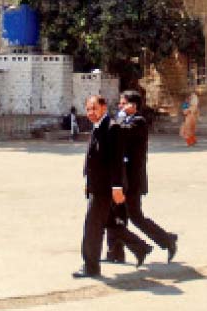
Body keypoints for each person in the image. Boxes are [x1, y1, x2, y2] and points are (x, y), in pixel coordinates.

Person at [73, 95, 153, 279]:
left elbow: (116, 161)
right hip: (97, 186)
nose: (91, 113)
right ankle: (140, 248)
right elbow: (94, 159)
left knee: (92, 226)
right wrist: (89, 183)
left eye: (94, 108)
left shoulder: (112, 128)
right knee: (110, 223)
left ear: (103, 108)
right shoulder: (98, 127)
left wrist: (117, 187)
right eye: (88, 109)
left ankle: (91, 266)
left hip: (106, 188)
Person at [112, 90, 178, 263]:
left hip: (133, 180)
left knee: (135, 216)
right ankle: (115, 252)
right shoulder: (125, 120)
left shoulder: (138, 122)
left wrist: (117, 118)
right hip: (121, 178)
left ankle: (167, 240)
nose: (120, 106)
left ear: (132, 106)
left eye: (123, 103)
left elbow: (120, 132)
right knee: (116, 215)